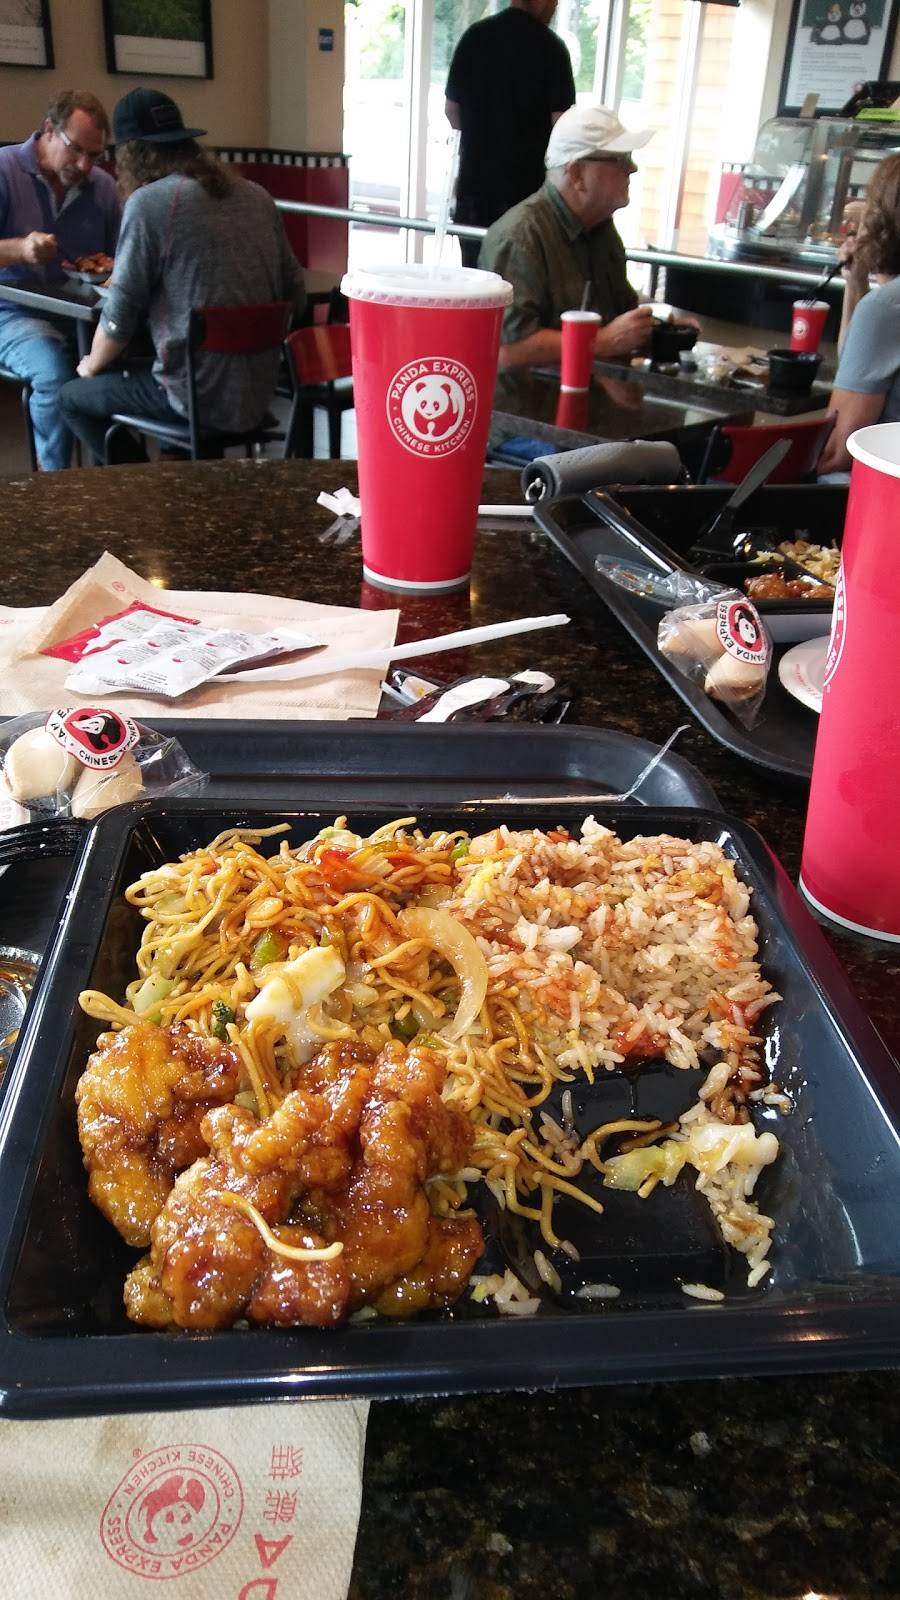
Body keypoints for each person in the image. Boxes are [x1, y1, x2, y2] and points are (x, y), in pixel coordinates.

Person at [57, 87, 306, 466]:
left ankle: (149, 487)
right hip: (258, 395)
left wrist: (90, 365)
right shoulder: (257, 196)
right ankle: (178, 475)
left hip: (194, 396)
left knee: (73, 398)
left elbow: (119, 317)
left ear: (130, 155)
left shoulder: (149, 204)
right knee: (162, 361)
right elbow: (297, 297)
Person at [478, 102, 655, 371]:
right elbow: (508, 350)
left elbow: (620, 313)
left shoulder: (601, 229)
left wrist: (653, 329)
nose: (632, 168)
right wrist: (600, 342)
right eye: (620, 159)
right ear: (576, 173)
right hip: (537, 396)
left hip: (590, 389)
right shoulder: (519, 237)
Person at [0, 89, 120, 470]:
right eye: (76, 149)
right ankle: (55, 486)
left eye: (95, 155)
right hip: (11, 313)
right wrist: (19, 250)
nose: (85, 165)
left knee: (130, 365)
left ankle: (116, 479)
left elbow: (121, 261)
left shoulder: (103, 187)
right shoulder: (5, 169)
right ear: (49, 130)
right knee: (54, 374)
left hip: (84, 317)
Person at [445, 0, 575, 269]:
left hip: (474, 190)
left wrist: (481, 136)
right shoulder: (551, 48)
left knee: (473, 279)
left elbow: (451, 111)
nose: (555, 6)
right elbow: (563, 127)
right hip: (526, 196)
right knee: (519, 281)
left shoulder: (474, 38)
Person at [818, 154, 900, 474]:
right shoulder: (882, 308)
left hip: (880, 492)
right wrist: (856, 283)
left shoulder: (885, 309)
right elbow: (858, 360)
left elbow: (837, 452)